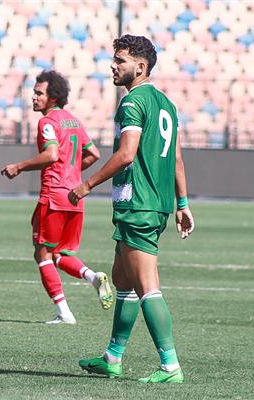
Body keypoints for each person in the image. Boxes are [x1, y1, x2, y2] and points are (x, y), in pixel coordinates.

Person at [70, 35, 195, 383]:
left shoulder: (132, 103)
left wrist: (86, 185)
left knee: (146, 285)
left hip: (138, 205)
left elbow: (126, 154)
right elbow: (178, 160)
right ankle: (112, 358)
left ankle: (170, 366)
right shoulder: (167, 105)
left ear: (140, 67)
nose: (113, 65)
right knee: (122, 278)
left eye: (120, 60)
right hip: (154, 205)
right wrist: (182, 204)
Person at [1, 70, 113, 325]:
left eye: (39, 93)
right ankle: (93, 277)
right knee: (59, 254)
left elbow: (51, 155)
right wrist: (72, 172)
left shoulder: (47, 122)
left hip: (53, 196)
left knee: (42, 254)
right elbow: (93, 153)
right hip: (75, 196)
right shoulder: (73, 121)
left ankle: (64, 313)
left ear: (53, 97)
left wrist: (19, 166)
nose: (34, 97)